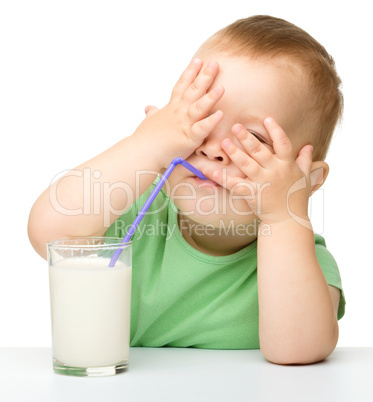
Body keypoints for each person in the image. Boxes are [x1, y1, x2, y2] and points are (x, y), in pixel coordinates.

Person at [28, 15, 345, 365]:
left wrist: (284, 217)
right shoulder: (136, 211)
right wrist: (146, 145)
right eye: (199, 122)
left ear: (308, 181)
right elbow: (48, 234)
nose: (212, 149)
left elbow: (298, 351)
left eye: (252, 140)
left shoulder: (305, 260)